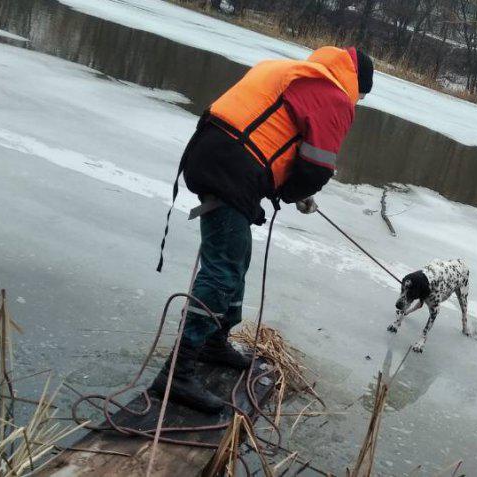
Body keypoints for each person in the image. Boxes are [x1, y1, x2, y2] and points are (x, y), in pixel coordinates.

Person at [152, 46, 374, 413]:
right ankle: (177, 371)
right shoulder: (335, 95)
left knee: (237, 257)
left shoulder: (293, 71)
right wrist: (293, 193)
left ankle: (214, 341)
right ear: (356, 85)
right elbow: (317, 167)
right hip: (232, 168)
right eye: (361, 96)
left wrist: (283, 188)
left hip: (213, 153)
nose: (357, 101)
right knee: (222, 269)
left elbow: (272, 129)